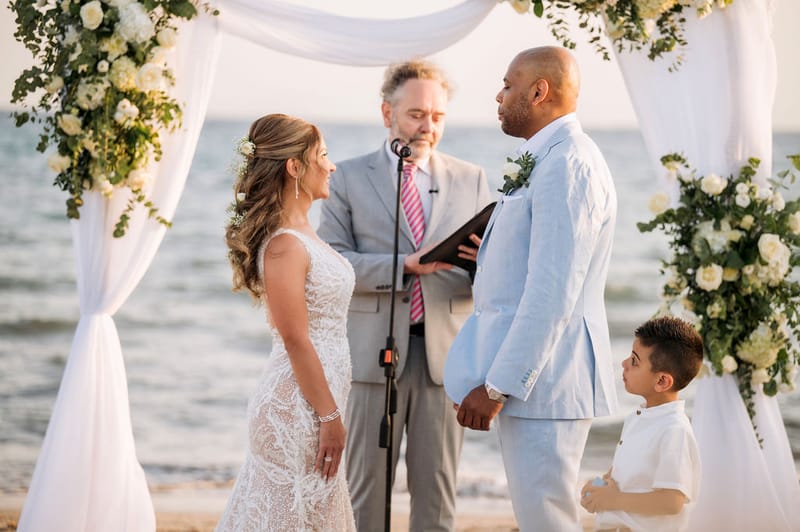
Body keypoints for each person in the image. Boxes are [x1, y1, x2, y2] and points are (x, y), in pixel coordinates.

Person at [443, 46, 618, 531]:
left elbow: (553, 292)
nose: (498, 96)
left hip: (548, 379)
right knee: (538, 516)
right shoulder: (548, 158)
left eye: (507, 85)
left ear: (539, 91)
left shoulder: (570, 165)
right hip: (536, 380)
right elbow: (529, 276)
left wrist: (498, 386)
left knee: (547, 520)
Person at [318, 60, 492, 531]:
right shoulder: (347, 178)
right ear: (386, 113)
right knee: (365, 494)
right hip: (373, 357)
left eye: (437, 116)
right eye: (417, 113)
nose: (428, 126)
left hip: (447, 360)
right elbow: (330, 264)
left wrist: (486, 265)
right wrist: (404, 267)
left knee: (437, 493)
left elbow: (497, 274)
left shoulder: (472, 178)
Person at [216, 114, 356, 531]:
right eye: (324, 155)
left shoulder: (303, 235)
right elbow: (295, 338)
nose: (331, 166)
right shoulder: (284, 245)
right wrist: (329, 417)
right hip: (296, 411)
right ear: (294, 167)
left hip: (314, 403)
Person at [581, 316, 703, 532]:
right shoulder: (638, 418)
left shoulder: (674, 430)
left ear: (662, 381)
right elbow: (628, 473)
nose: (624, 363)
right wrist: (601, 488)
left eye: (635, 361)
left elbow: (671, 502)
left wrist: (613, 500)